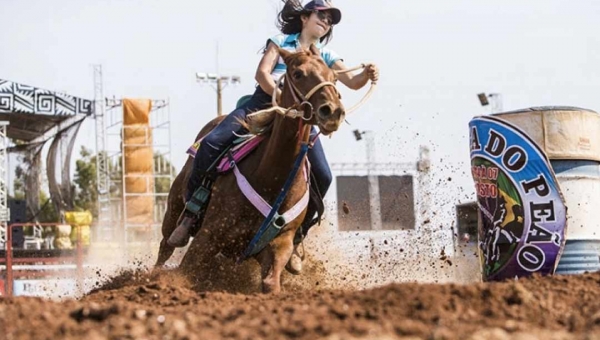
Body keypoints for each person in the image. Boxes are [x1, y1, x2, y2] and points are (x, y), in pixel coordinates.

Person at [168, 0, 379, 273]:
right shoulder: (280, 41)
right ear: (305, 17)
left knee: (324, 176)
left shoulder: (326, 56)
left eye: (331, 20)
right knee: (211, 143)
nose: (326, 21)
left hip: (301, 119)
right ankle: (191, 213)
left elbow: (352, 82)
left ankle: (295, 236)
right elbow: (262, 73)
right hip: (261, 105)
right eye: (321, 15)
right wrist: (280, 98)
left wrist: (366, 74)